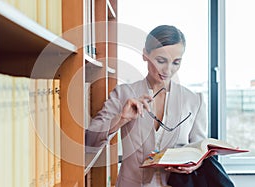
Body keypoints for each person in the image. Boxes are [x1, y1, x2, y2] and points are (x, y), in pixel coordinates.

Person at [86, 25, 208, 187]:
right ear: (145, 54)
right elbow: (90, 140)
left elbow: (198, 151)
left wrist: (193, 164)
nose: (168, 70)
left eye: (176, 62)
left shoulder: (194, 101)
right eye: (161, 61)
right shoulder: (124, 94)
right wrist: (121, 119)